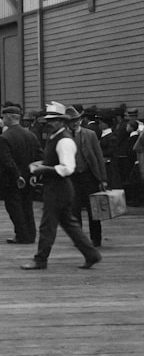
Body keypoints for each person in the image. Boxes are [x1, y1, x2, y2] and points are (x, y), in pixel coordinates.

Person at [21, 101, 101, 271]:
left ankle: (40, 259)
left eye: (53, 120)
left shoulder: (64, 141)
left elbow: (67, 168)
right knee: (70, 224)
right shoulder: (54, 138)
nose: (48, 123)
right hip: (57, 188)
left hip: (59, 189)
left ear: (62, 121)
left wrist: (43, 169)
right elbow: (54, 162)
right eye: (48, 120)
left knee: (47, 225)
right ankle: (91, 254)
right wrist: (42, 167)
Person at [0, 104, 42, 244]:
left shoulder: (5, 137)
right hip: (29, 178)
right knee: (27, 206)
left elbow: (7, 160)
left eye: (4, 116)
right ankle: (31, 234)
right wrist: (34, 174)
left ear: (9, 117)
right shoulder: (31, 135)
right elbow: (39, 156)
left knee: (14, 207)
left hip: (12, 179)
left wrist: (17, 176)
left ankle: (22, 235)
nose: (2, 119)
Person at [67, 105, 108, 248]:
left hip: (89, 176)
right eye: (71, 121)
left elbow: (98, 156)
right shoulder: (63, 136)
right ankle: (79, 239)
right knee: (74, 209)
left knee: (93, 209)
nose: (74, 123)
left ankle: (96, 239)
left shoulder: (89, 134)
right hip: (71, 177)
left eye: (77, 120)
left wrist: (103, 179)